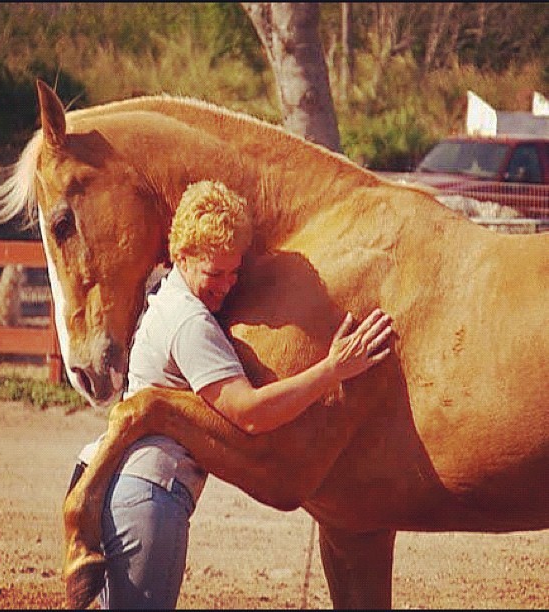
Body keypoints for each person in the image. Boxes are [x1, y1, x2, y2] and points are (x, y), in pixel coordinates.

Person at [69, 180, 393, 609]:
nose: (226, 285)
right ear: (181, 256)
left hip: (133, 491)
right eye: (214, 273)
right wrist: (334, 367)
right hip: (150, 499)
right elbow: (250, 414)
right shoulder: (189, 322)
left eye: (234, 271)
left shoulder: (166, 295)